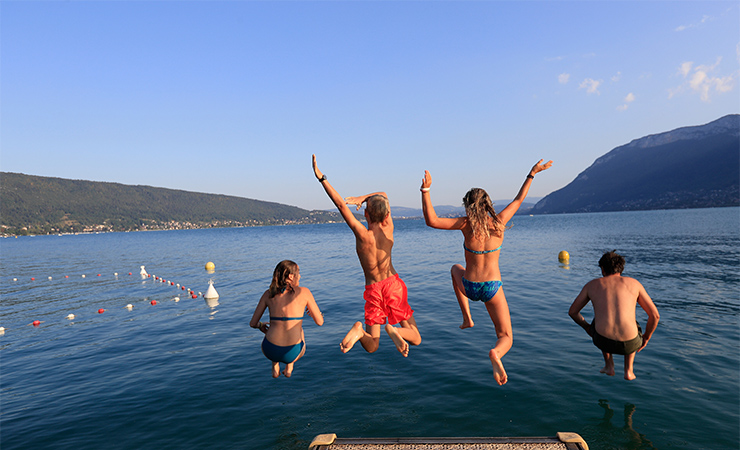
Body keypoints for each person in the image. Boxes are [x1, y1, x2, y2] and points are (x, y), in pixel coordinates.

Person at [420, 159, 552, 385]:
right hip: (492, 288)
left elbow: (431, 220)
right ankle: (496, 354)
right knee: (505, 336)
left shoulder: (464, 224)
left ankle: (467, 318)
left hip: (470, 286)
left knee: (455, 269)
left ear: (468, 205)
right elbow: (519, 199)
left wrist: (426, 189)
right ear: (488, 203)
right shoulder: (499, 222)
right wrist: (532, 173)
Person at [312, 154, 421, 357]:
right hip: (392, 285)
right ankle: (396, 330)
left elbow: (340, 205)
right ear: (387, 214)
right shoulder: (389, 228)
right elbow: (384, 194)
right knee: (415, 337)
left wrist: (322, 178)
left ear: (365, 215)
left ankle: (359, 331)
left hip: (373, 290)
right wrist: (363, 198)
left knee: (372, 346)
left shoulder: (362, 234)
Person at [568, 250, 660, 381]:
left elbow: (573, 312)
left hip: (602, 341)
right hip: (631, 343)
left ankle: (609, 366)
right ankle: (629, 370)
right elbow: (655, 316)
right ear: (621, 269)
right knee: (634, 324)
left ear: (603, 269)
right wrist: (646, 337)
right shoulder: (634, 284)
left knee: (598, 321)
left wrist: (587, 327)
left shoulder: (591, 285)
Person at [250, 260, 323, 378]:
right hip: (292, 352)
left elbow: (253, 323)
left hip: (269, 350)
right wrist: (317, 313)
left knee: (273, 328)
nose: (300, 276)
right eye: (298, 273)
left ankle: (275, 365)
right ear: (290, 276)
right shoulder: (304, 292)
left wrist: (260, 326)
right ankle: (289, 366)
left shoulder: (268, 294)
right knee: (299, 328)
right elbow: (320, 322)